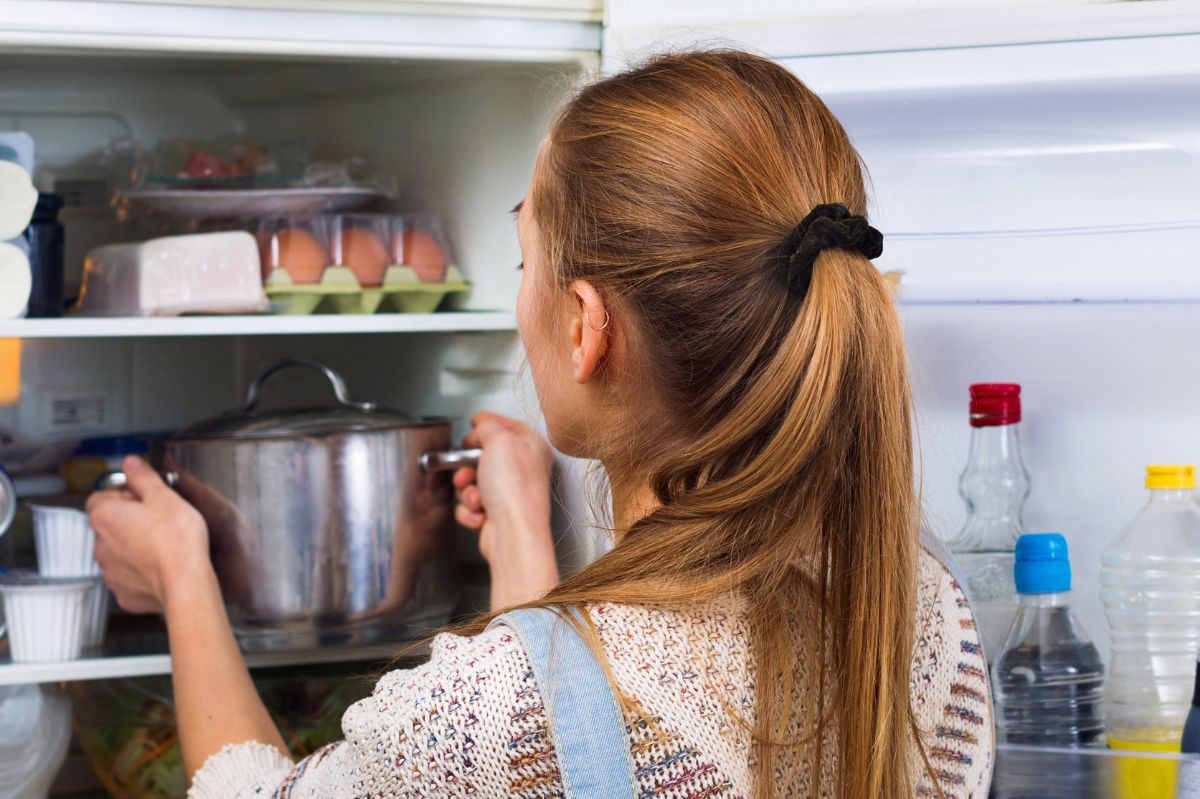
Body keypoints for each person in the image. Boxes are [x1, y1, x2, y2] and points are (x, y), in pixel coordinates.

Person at [87, 50, 993, 799]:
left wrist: (183, 572)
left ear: (584, 326)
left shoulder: (476, 718)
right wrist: (523, 542)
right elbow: (570, 727)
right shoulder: (922, 620)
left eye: (525, 262)